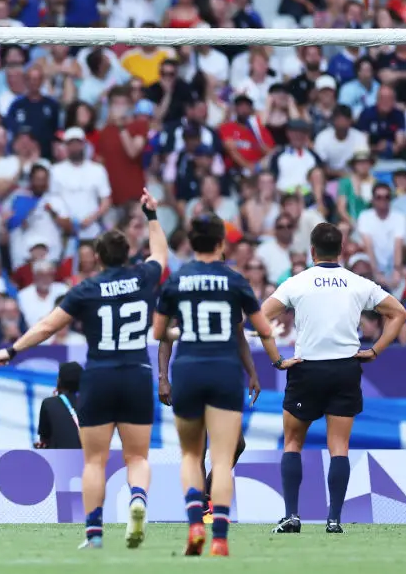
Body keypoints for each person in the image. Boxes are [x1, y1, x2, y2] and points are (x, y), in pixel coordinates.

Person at [0, 187, 168, 551]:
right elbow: (161, 253)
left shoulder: (86, 289)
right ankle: (138, 498)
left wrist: (12, 349)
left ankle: (93, 533)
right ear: (127, 255)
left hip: (100, 376)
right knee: (137, 456)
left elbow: (46, 327)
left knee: (94, 460)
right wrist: (151, 216)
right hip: (137, 373)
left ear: (98, 259)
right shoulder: (144, 277)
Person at [260, 222, 406, 535]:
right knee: (338, 445)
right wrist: (376, 350)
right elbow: (399, 314)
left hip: (306, 368)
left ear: (312, 250)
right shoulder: (357, 282)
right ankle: (334, 519)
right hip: (345, 368)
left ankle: (292, 517)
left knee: (292, 442)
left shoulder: (296, 282)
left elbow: (261, 318)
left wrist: (276, 358)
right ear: (340, 250)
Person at [152, 214, 279, 557]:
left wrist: (169, 367)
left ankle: (196, 522)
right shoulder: (236, 282)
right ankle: (219, 537)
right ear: (222, 242)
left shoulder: (177, 280)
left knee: (192, 455)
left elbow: (158, 333)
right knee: (223, 458)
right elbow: (261, 330)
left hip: (189, 370)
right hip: (224, 371)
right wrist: (258, 368)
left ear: (192, 244)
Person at [158, 320, 258, 524]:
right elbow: (165, 336)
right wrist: (163, 377)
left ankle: (207, 492)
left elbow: (239, 334)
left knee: (237, 444)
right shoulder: (181, 290)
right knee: (198, 448)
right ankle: (202, 508)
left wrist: (252, 372)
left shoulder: (230, 292)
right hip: (190, 375)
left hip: (223, 377)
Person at [35, 361, 83, 450]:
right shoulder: (90, 404)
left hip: (59, 459)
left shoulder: (48, 403)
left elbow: (44, 439)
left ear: (59, 381)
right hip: (88, 458)